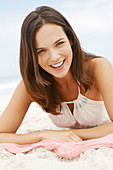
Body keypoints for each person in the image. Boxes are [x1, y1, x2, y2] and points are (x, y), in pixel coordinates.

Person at [0, 6, 113, 145]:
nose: (54, 57)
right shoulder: (31, 84)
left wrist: (64, 135)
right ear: (32, 56)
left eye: (59, 44)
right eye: (41, 51)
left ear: (70, 39)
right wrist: (43, 135)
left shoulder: (98, 67)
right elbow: (1, 134)